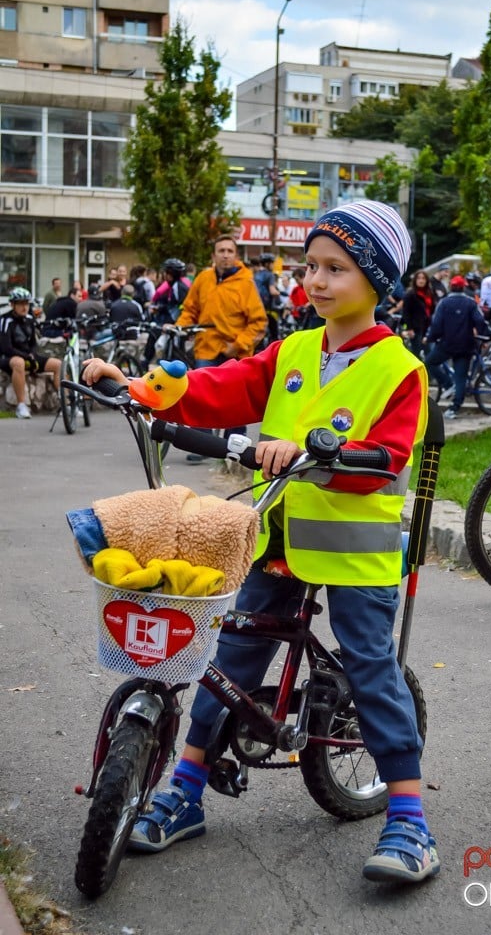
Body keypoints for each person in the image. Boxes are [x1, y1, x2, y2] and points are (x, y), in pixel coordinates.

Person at [82, 200, 439, 886]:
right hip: (274, 540)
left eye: (337, 268)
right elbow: (227, 386)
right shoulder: (296, 350)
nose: (318, 280)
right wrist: (148, 391)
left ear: (376, 279)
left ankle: (409, 819)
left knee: (370, 664)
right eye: (311, 266)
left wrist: (318, 449)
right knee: (230, 652)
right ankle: (185, 789)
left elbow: (388, 454)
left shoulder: (401, 370)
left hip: (355, 554)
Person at [176, 234, 267, 461]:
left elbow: (258, 323)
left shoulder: (246, 282)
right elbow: (190, 309)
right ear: (213, 255)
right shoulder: (203, 278)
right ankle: (202, 446)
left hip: (235, 352)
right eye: (221, 251)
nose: (225, 255)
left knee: (236, 401)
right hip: (206, 346)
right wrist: (179, 326)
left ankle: (233, 448)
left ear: (236, 256)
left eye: (229, 251)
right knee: (199, 395)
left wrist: (237, 345)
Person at [425, 272, 491, 419]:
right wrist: (488, 335)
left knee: (429, 363)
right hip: (466, 345)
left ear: (451, 287)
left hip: (447, 344)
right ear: (463, 287)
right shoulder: (471, 303)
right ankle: (454, 408)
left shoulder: (444, 303)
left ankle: (448, 384)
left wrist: (430, 338)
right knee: (461, 377)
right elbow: (480, 321)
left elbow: (436, 324)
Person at [0, 287, 62, 418]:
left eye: (26, 303)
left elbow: (34, 343)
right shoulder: (5, 320)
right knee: (19, 363)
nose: (24, 307)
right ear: (12, 305)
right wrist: (27, 356)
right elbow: (7, 348)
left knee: (58, 364)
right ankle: (21, 406)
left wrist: (32, 355)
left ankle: (66, 405)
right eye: (21, 304)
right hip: (9, 358)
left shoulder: (29, 319)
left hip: (29, 356)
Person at [143, 258, 192, 370]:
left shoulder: (180, 287)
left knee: (155, 333)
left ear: (170, 274)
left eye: (165, 272)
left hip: (177, 324)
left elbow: (181, 307)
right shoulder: (174, 286)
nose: (164, 275)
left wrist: (169, 322)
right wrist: (159, 308)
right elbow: (171, 304)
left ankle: (146, 362)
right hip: (173, 321)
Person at [401, 269, 435, 358]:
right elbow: (406, 312)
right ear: (415, 280)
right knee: (416, 353)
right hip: (415, 328)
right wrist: (410, 328)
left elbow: (432, 309)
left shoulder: (429, 293)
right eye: (419, 278)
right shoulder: (410, 294)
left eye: (423, 278)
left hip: (427, 327)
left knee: (429, 354)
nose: (421, 280)